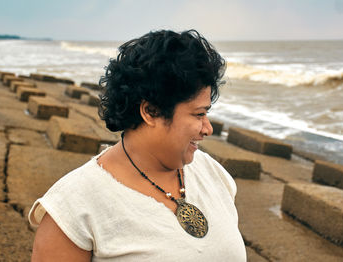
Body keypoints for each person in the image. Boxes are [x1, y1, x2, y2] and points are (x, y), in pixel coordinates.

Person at [29, 29, 247, 261]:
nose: (208, 128)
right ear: (150, 111)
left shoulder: (213, 174)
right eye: (198, 114)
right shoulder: (74, 205)